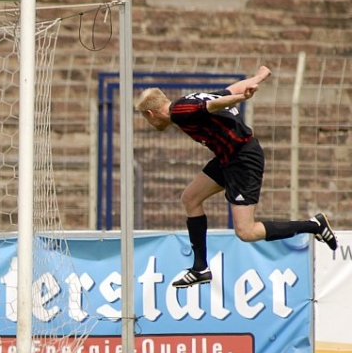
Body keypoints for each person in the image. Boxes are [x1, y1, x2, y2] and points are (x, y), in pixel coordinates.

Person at [135, 65, 338, 288]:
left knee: (246, 231)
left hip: (242, 159)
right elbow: (229, 90)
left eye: (146, 119)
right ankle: (200, 268)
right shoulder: (186, 102)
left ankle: (313, 225)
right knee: (190, 198)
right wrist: (259, 77)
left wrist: (243, 97)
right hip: (227, 157)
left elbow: (213, 104)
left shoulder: (179, 111)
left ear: (150, 114)